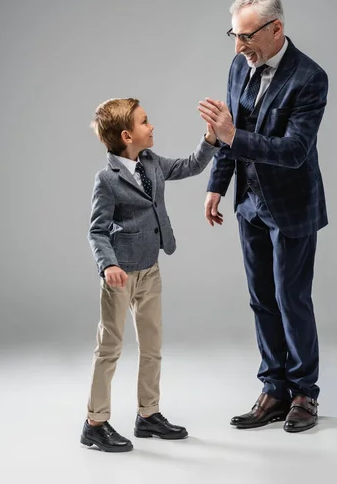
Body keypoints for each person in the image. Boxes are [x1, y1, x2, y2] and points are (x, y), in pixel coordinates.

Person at [198, 0, 328, 433]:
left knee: (292, 300)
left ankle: (304, 394)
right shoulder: (240, 66)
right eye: (234, 35)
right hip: (249, 204)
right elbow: (228, 131)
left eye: (246, 36)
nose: (238, 47)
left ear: (276, 30)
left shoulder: (310, 78)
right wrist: (217, 186)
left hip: (291, 207)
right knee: (262, 300)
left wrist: (231, 135)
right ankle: (274, 389)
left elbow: (294, 151)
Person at [81, 97, 218, 452]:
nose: (152, 126)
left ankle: (148, 415)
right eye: (145, 122)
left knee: (152, 346)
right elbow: (97, 230)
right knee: (109, 348)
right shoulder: (107, 180)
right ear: (127, 135)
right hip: (121, 275)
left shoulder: (151, 162)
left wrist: (211, 141)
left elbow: (189, 166)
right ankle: (95, 423)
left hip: (150, 269)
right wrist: (108, 264)